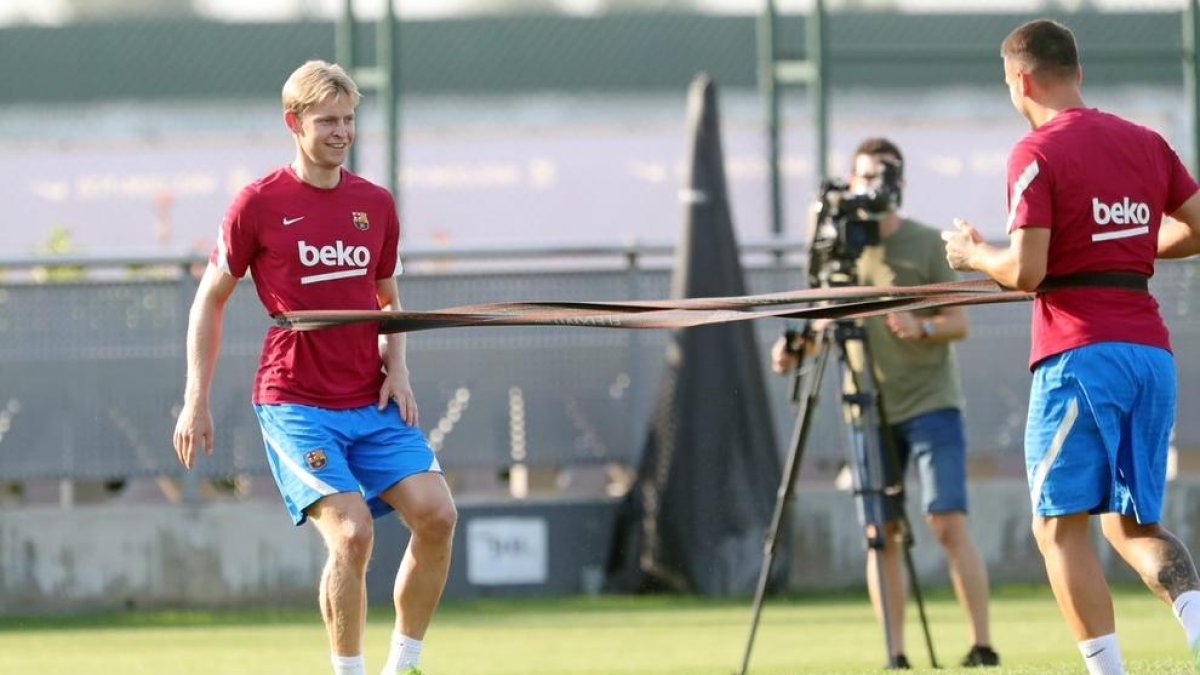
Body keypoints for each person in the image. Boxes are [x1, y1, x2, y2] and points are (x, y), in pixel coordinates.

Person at [172, 60, 457, 675]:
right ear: (293, 123)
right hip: (296, 401)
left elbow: (388, 301)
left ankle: (403, 664)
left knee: (438, 515)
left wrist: (398, 368)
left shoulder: (375, 204)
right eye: (327, 120)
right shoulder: (257, 203)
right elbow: (210, 299)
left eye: (349, 119)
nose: (340, 132)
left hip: (371, 397)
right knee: (352, 535)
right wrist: (195, 399)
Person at [942, 19, 1200, 675]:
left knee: (1059, 526)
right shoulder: (1146, 142)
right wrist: (1131, 250)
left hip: (1082, 355)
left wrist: (974, 253)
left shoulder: (1035, 152)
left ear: (1020, 81)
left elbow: (1027, 271)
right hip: (1151, 354)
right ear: (1076, 73)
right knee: (1131, 525)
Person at [772, 137, 999, 669]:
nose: (869, 188)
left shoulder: (923, 242)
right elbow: (822, 318)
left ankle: (982, 645)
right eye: (862, 176)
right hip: (864, 408)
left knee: (946, 521)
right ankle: (895, 654)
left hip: (930, 402)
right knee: (881, 533)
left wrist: (920, 325)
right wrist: (795, 348)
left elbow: (959, 322)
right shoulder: (837, 251)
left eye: (880, 176)